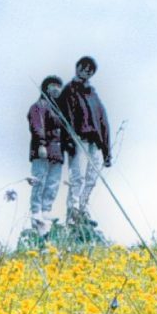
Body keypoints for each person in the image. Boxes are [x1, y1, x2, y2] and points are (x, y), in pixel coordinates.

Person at [57, 56, 111, 226]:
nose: (86, 71)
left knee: (91, 178)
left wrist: (107, 151)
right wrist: (69, 140)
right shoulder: (68, 91)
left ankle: (83, 210)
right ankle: (72, 213)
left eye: (90, 69)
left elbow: (103, 122)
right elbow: (63, 117)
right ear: (77, 67)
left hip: (94, 143)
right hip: (77, 140)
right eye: (84, 67)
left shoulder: (94, 95)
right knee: (77, 178)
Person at [27, 75, 65, 234]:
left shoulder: (58, 110)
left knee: (53, 183)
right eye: (53, 85)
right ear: (46, 88)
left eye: (58, 86)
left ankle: (46, 209)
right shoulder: (39, 106)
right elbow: (37, 126)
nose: (56, 88)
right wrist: (41, 143)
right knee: (39, 181)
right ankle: (36, 211)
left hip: (57, 151)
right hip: (43, 150)